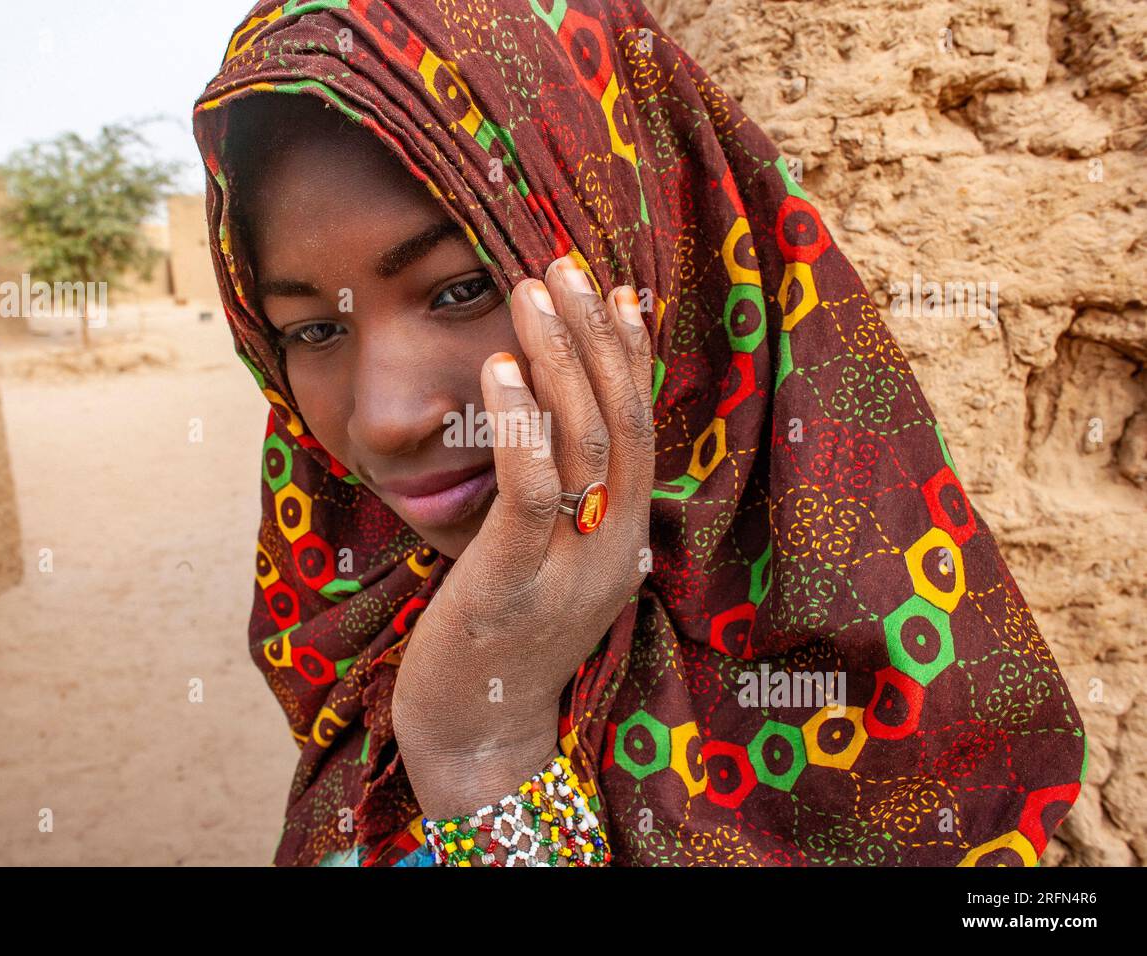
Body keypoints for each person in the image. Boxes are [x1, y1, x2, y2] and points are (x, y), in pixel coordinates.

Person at [191, 0, 1087, 867]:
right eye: (312, 331)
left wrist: (481, 757)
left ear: (635, 249)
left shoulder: (880, 689)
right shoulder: (350, 624)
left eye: (461, 288)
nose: (385, 420)